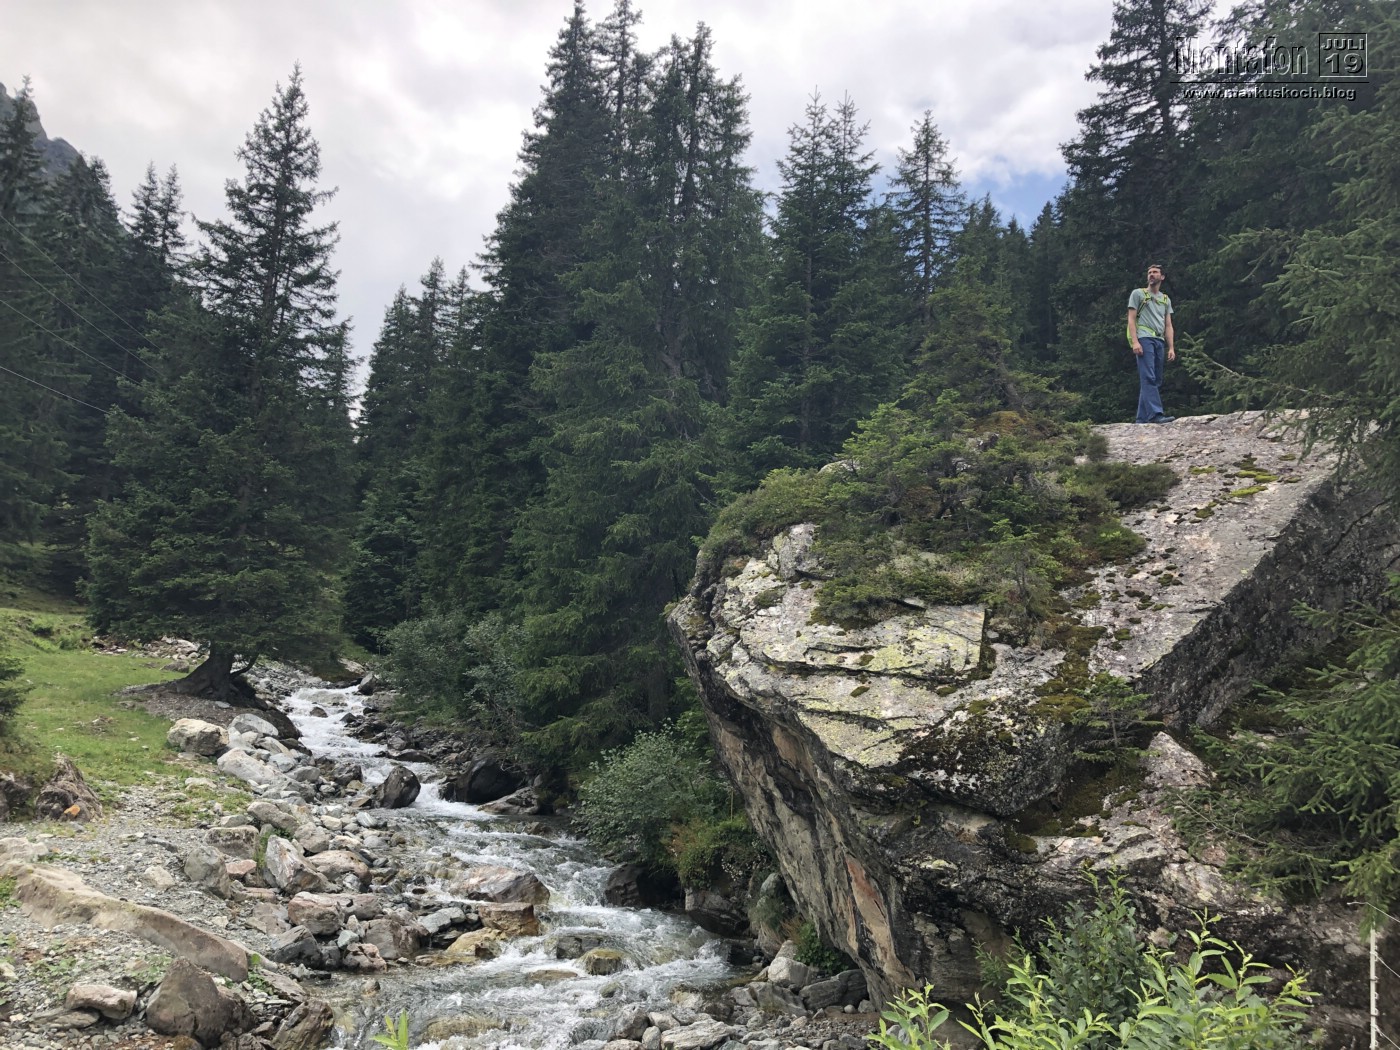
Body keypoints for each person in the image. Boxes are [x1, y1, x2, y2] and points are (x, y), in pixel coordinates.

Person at [1127, 264, 1175, 424]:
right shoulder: (1138, 294)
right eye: (1149, 272)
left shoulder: (1165, 299)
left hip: (1159, 340)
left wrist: (1171, 347)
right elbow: (1131, 319)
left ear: (1162, 277)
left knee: (1156, 379)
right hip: (1144, 338)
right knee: (1148, 376)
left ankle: (1141, 419)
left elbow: (1168, 324)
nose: (1151, 274)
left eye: (1155, 272)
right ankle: (1155, 414)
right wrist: (1135, 342)